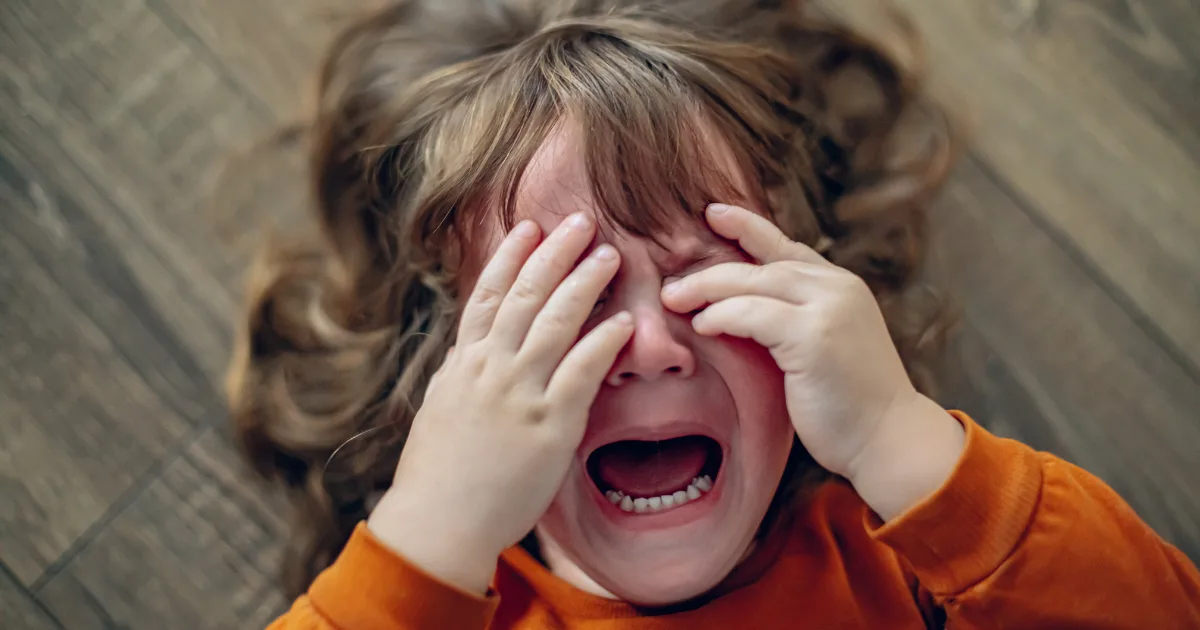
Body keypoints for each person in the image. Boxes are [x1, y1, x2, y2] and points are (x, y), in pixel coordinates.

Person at [225, 0, 1200, 627]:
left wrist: (906, 442)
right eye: (566, 306)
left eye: (704, 281)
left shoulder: (910, 556)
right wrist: (429, 528)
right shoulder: (451, 606)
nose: (648, 348)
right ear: (451, 370)